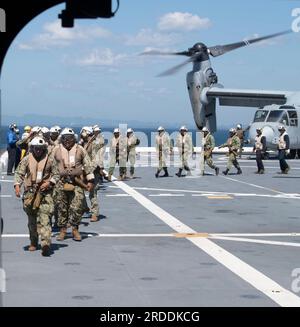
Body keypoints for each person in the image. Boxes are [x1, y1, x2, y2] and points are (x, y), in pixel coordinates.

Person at [14, 137, 59, 256]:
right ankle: (33, 242)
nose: (38, 151)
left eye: (40, 149)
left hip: (45, 193)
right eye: (36, 149)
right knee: (32, 221)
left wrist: (50, 182)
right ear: (32, 148)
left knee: (45, 218)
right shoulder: (26, 159)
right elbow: (19, 173)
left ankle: (46, 244)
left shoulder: (50, 159)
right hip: (30, 194)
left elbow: (57, 173)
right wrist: (17, 186)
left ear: (44, 148)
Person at [52, 128, 95, 241]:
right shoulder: (56, 150)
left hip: (77, 183)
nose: (67, 140)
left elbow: (88, 166)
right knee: (61, 208)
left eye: (70, 138)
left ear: (74, 139)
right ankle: (63, 230)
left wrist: (90, 181)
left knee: (77, 207)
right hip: (60, 183)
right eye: (65, 138)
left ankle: (75, 229)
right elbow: (48, 165)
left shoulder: (80, 150)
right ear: (62, 139)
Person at [80, 126, 100, 222]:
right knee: (80, 191)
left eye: (83, 132)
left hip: (92, 172)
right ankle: (84, 207)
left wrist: (89, 170)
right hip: (83, 172)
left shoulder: (94, 144)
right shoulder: (84, 143)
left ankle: (95, 213)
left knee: (92, 193)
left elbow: (96, 160)